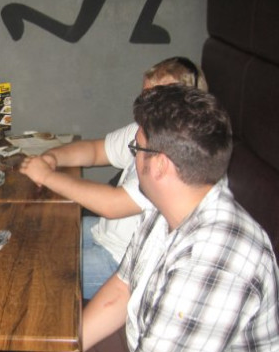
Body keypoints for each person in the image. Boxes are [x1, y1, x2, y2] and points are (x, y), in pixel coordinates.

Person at [7, 85, 279, 352]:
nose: (133, 156)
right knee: (45, 350)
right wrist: (70, 345)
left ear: (160, 165)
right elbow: (123, 288)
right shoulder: (167, 205)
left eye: (137, 148)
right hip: (145, 341)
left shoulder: (218, 257)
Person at [20, 56, 208, 299]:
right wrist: (53, 158)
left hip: (119, 261)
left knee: (32, 272)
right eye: (144, 95)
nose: (144, 106)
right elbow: (95, 150)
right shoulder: (143, 128)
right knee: (33, 234)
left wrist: (46, 176)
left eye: (155, 98)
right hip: (103, 234)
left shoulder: (175, 159)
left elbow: (112, 204)